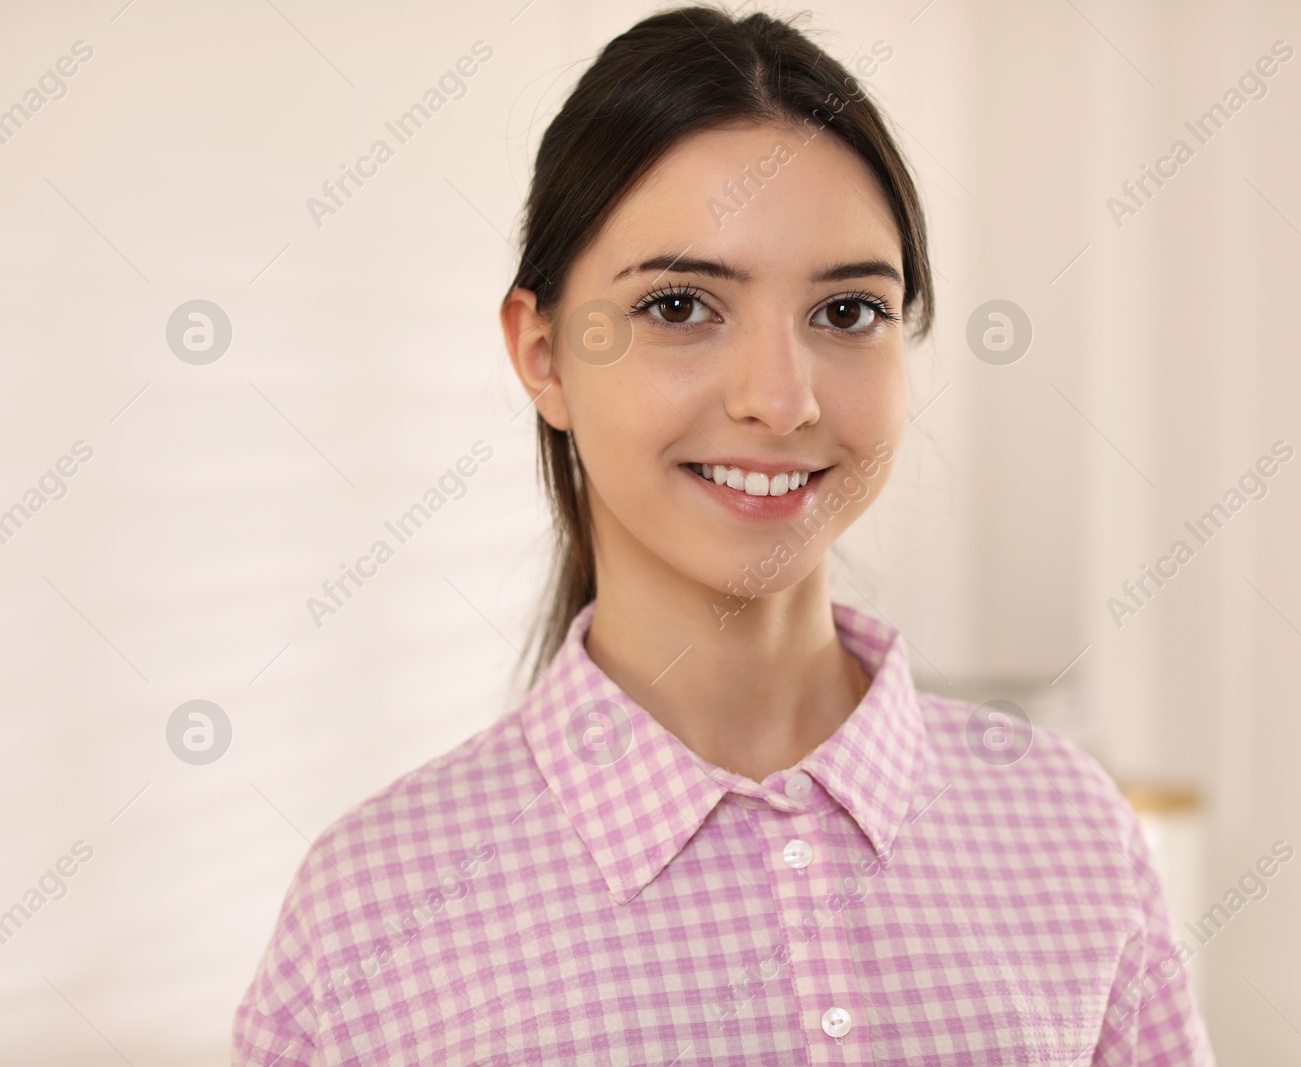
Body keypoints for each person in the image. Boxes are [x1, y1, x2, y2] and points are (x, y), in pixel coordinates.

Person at [234, 6, 1213, 1063]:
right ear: (543, 351)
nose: (778, 399)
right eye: (681, 305)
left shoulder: (1068, 828)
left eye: (844, 314)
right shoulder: (370, 915)